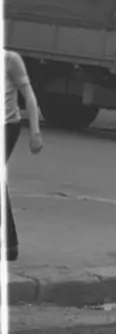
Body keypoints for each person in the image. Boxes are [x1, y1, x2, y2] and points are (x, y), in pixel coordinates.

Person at [5, 49, 44, 262]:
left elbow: (28, 96)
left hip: (7, 126)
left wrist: (35, 133)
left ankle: (10, 244)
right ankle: (9, 245)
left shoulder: (11, 59)